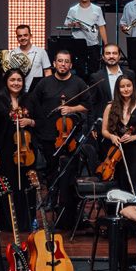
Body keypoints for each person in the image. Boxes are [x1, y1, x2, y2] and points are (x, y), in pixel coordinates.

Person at [28, 50, 90, 210]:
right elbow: (33, 104)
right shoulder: (44, 83)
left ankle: (68, 203)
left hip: (70, 135)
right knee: (50, 169)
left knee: (69, 170)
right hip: (49, 134)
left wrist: (71, 109)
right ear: (54, 63)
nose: (63, 64)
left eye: (66, 61)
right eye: (60, 61)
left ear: (71, 64)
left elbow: (88, 105)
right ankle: (51, 197)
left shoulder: (79, 83)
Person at [0, 67, 37, 229]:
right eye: (12, 80)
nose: (16, 83)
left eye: (19, 80)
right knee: (7, 184)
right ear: (6, 82)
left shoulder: (29, 98)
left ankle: (26, 222)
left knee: (27, 185)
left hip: (27, 150)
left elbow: (39, 120)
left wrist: (29, 122)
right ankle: (7, 223)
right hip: (5, 148)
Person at [100, 75, 136, 192]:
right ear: (117, 89)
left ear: (133, 87)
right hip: (117, 152)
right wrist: (112, 136)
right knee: (120, 184)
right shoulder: (110, 107)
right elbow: (104, 130)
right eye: (122, 87)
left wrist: (135, 137)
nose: (126, 89)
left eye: (128, 86)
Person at [65, 0, 107, 76]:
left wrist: (106, 44)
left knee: (94, 70)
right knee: (79, 70)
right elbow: (67, 25)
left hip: (93, 44)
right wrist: (73, 25)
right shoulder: (73, 10)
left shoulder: (97, 9)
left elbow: (101, 26)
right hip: (78, 44)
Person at [89, 43, 136, 114]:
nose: (111, 56)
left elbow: (134, 96)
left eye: (114, 53)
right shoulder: (96, 77)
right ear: (103, 57)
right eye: (108, 53)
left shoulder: (130, 74)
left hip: (128, 116)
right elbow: (92, 104)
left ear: (119, 56)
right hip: (106, 118)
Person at [8, 24, 52, 90]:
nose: (23, 38)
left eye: (25, 35)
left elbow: (47, 71)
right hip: (17, 91)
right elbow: (8, 74)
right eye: (20, 36)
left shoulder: (41, 52)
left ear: (30, 36)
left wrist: (48, 89)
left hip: (37, 91)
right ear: (17, 38)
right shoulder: (12, 53)